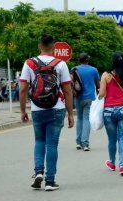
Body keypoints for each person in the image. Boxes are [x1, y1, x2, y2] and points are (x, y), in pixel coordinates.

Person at [19, 34, 74, 191]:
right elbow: (67, 91)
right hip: (57, 108)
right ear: (54, 47)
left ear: (39, 46)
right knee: (52, 144)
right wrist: (70, 114)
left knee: (39, 141)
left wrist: (23, 110)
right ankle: (50, 181)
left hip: (37, 109)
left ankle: (38, 172)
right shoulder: (61, 64)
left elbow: (23, 89)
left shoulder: (29, 63)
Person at [99, 52, 123, 176]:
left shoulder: (106, 75)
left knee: (111, 139)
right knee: (122, 139)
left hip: (108, 111)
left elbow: (102, 94)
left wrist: (99, 95)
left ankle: (112, 163)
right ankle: (122, 166)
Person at [75, 53, 100, 151]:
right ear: (87, 60)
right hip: (89, 97)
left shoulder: (74, 69)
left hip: (78, 96)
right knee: (86, 119)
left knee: (79, 119)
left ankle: (78, 142)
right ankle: (85, 143)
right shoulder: (93, 70)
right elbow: (98, 85)